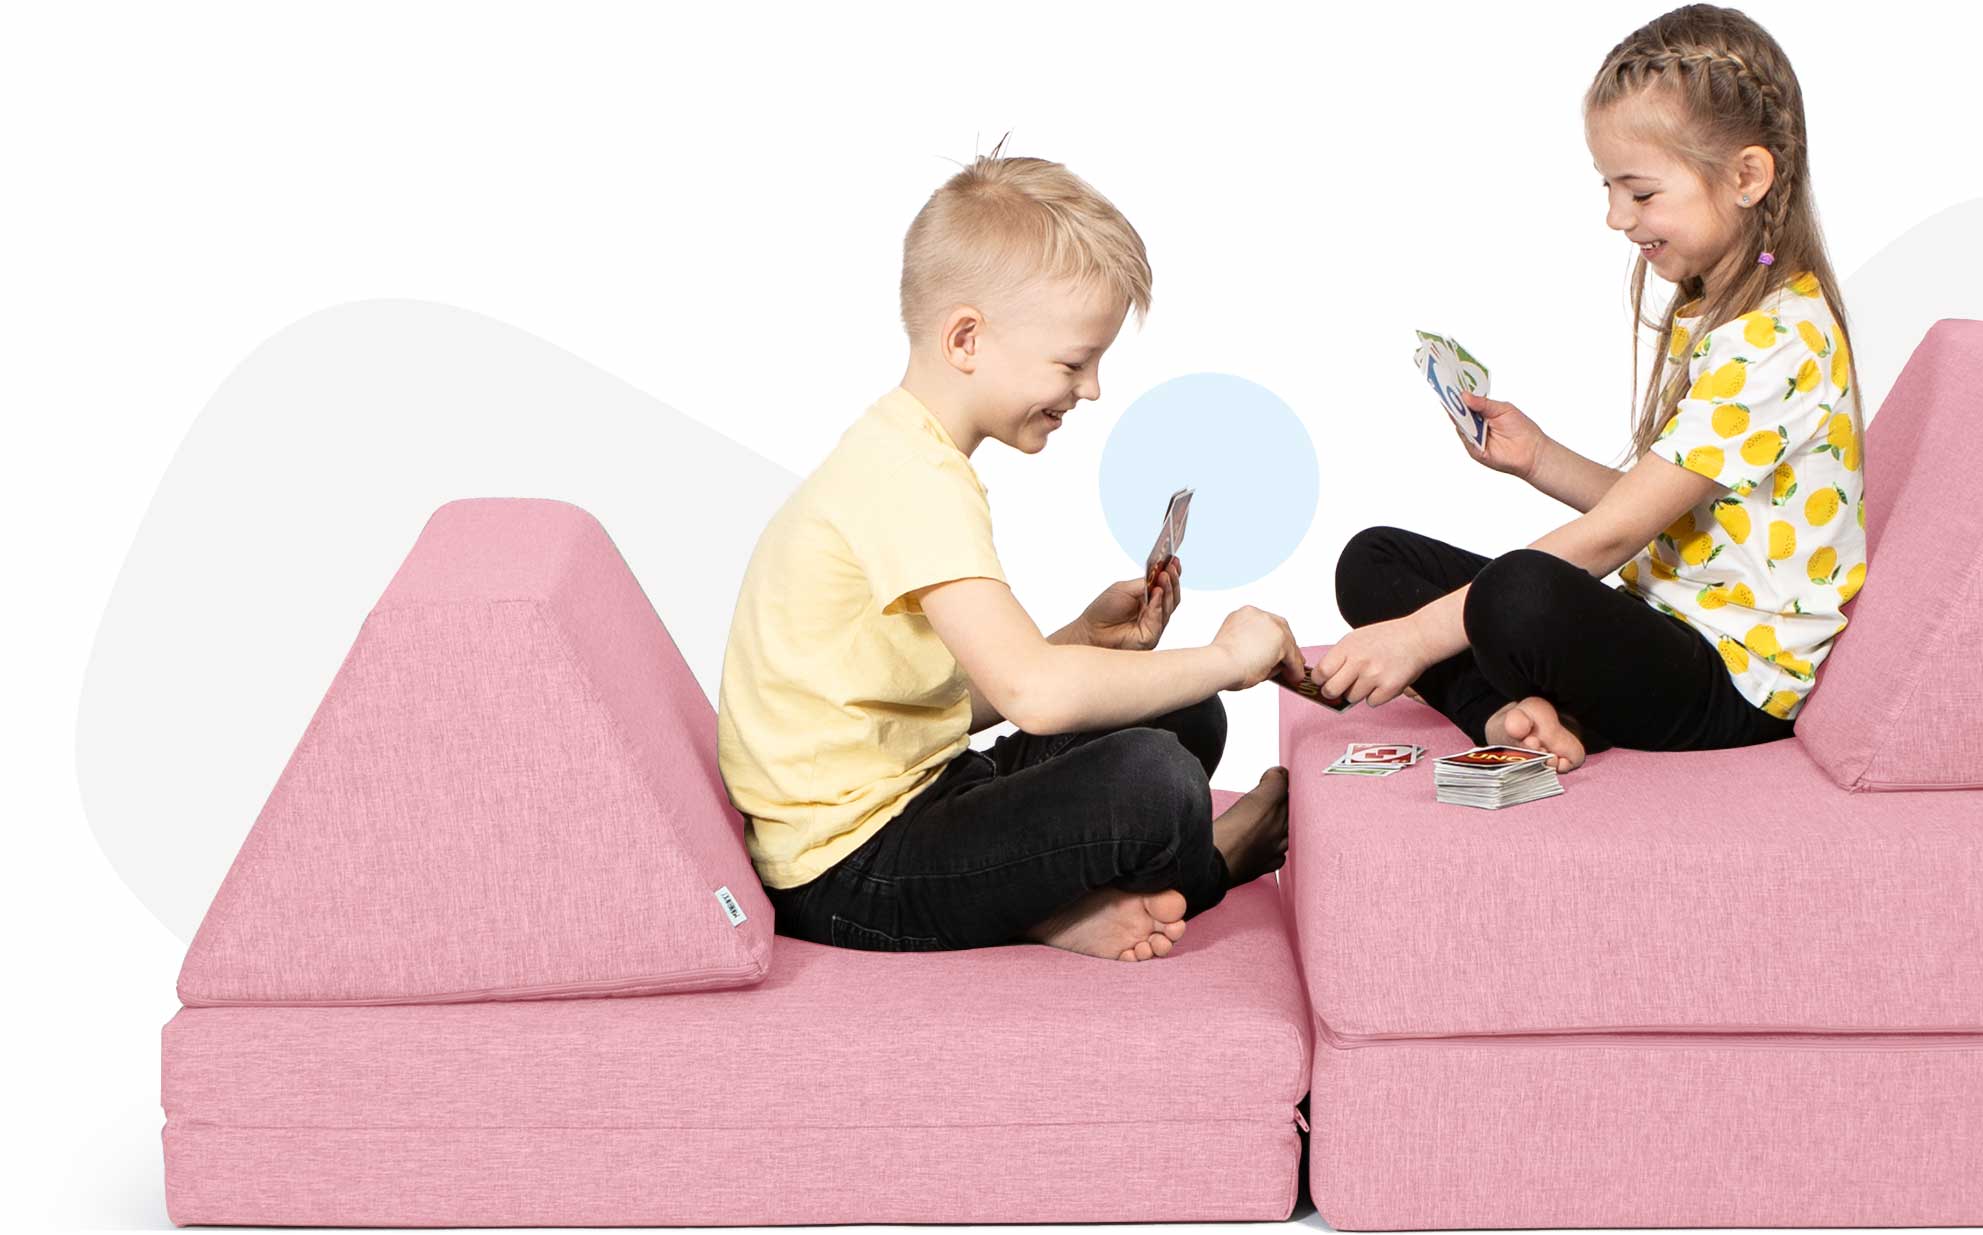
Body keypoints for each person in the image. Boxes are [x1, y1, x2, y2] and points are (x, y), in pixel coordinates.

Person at [717, 152, 1301, 962]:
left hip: (925, 792)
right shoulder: (911, 481)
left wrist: (1082, 641)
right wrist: (1230, 656)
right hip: (848, 871)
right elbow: (1034, 696)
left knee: (1181, 715)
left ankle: (1049, 911)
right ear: (967, 338)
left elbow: (959, 697)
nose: (1091, 389)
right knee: (1157, 783)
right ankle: (1213, 863)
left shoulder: (904, 453)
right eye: (1072, 362)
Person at [1321, 4, 1868, 773]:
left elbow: (1613, 537)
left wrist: (1416, 637)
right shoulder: (1725, 308)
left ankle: (1499, 704)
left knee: (1517, 594)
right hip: (1664, 620)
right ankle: (1520, 716)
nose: (1616, 216)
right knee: (1372, 560)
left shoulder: (1776, 338)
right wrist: (1538, 457)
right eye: (1609, 187)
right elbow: (1671, 516)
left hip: (1734, 682)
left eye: (1640, 193)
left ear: (1747, 176)